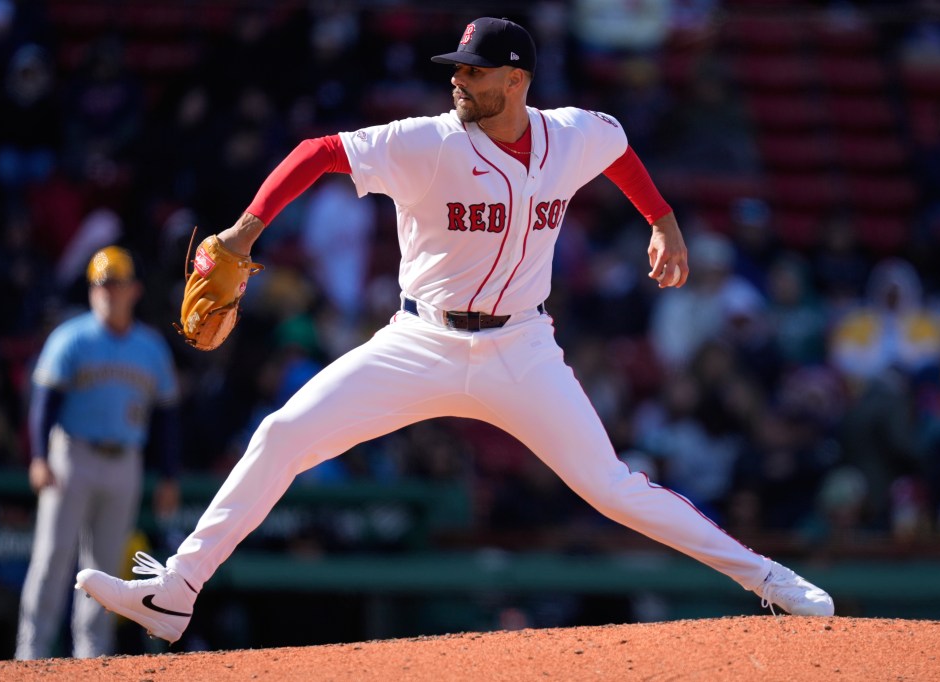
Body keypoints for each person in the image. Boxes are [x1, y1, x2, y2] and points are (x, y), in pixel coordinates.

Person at [75, 17, 833, 646]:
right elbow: (317, 153)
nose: (458, 81)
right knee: (283, 434)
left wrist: (662, 220)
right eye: (457, 69)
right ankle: (178, 590)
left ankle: (769, 579)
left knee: (613, 489)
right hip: (420, 343)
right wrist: (245, 231)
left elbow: (619, 147)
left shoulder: (571, 135)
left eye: (474, 71)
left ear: (517, 80)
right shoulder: (427, 141)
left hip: (522, 349)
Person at [15, 246, 181, 659]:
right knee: (52, 558)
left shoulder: (151, 347)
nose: (107, 291)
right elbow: (44, 404)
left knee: (105, 566)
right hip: (73, 456)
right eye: (100, 284)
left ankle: (92, 658)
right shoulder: (71, 338)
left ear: (134, 289)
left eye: (116, 283)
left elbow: (166, 418)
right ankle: (30, 654)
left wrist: (169, 475)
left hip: (126, 460)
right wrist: (39, 457)